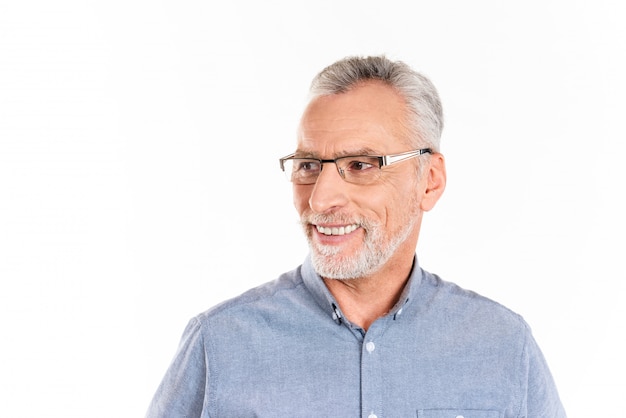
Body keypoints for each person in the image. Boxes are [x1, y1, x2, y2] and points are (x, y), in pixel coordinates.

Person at [145, 55, 566, 417]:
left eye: (361, 165)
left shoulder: (504, 346)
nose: (321, 198)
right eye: (309, 165)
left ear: (430, 181)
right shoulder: (219, 343)